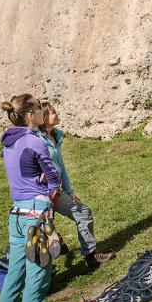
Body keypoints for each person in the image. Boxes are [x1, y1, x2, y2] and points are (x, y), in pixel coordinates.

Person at [0, 94, 62, 302]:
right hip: (37, 216)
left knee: (14, 276)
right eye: (38, 107)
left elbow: (23, 170)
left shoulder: (8, 143)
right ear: (31, 115)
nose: (43, 111)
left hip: (17, 215)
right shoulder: (35, 142)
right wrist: (49, 180)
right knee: (37, 280)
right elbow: (54, 179)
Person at [37, 102, 114, 270]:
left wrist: (69, 190)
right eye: (52, 112)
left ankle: (90, 255)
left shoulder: (55, 136)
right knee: (41, 235)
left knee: (83, 212)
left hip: (56, 193)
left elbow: (61, 166)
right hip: (40, 196)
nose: (57, 113)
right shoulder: (36, 139)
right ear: (43, 118)